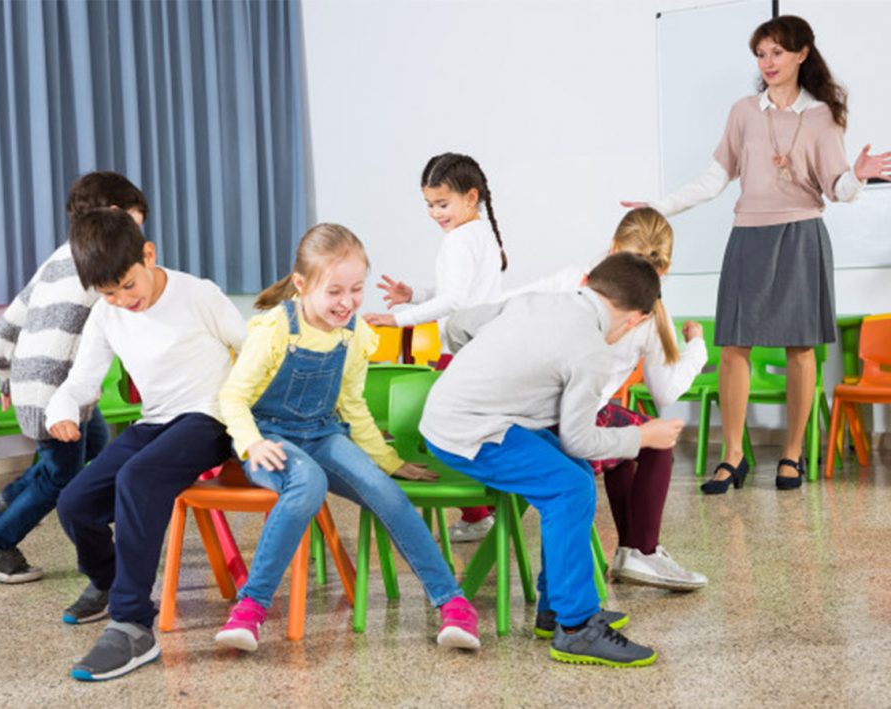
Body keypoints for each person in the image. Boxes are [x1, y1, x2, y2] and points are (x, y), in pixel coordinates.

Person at [623, 15, 891, 493]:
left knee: (801, 348)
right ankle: (732, 457)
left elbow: (838, 189)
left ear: (802, 54)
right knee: (733, 346)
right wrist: (658, 206)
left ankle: (791, 455)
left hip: (802, 234)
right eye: (761, 54)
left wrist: (860, 173)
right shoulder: (744, 111)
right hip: (749, 236)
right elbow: (714, 178)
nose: (768, 62)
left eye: (777, 53)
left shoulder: (822, 114)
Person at [216, 223, 480, 653]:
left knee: (387, 492)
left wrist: (390, 462)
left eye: (356, 289)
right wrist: (251, 444)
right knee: (307, 484)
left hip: (322, 433)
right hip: (269, 438)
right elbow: (233, 396)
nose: (347, 302)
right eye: (334, 291)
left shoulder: (355, 334)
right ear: (301, 285)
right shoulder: (273, 330)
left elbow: (353, 407)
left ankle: (453, 603)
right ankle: (250, 608)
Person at [422, 252, 684, 667]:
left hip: (452, 417)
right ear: (635, 319)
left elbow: (456, 327)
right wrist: (643, 436)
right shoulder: (590, 352)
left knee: (572, 473)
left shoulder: (538, 301)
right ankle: (577, 629)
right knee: (571, 487)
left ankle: (555, 607)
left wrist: (493, 368)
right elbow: (580, 438)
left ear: (592, 283)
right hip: (468, 434)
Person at [48, 208, 245, 681]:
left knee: (137, 479)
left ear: (148, 254)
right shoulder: (106, 315)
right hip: (156, 421)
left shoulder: (198, 294)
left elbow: (253, 350)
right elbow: (82, 381)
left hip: (210, 416)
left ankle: (133, 624)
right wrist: (61, 409)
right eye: (108, 292)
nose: (121, 299)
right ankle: (109, 582)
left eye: (127, 286)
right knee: (75, 503)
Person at [502, 208, 708, 591]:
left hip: (515, 426)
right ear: (664, 268)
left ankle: (634, 553)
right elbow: (665, 393)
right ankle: (640, 552)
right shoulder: (652, 314)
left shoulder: (569, 280)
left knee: (623, 430)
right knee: (654, 436)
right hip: (569, 432)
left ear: (613, 246)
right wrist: (698, 348)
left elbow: (505, 305)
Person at [0, 171, 148, 584]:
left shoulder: (57, 258)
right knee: (62, 474)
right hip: (56, 388)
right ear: (113, 217)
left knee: (94, 441)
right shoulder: (104, 260)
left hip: (36, 380)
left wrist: (5, 376)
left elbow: (10, 320)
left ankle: (8, 498)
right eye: (135, 226)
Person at [363, 152, 507, 542]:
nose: (435, 213)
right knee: (471, 431)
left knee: (443, 432)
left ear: (470, 197)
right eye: (429, 204)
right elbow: (455, 292)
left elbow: (455, 302)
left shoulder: (460, 239)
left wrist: (397, 319)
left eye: (442, 204)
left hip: (462, 352)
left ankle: (478, 513)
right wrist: (415, 294)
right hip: (482, 349)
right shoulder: (481, 233)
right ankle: (485, 508)